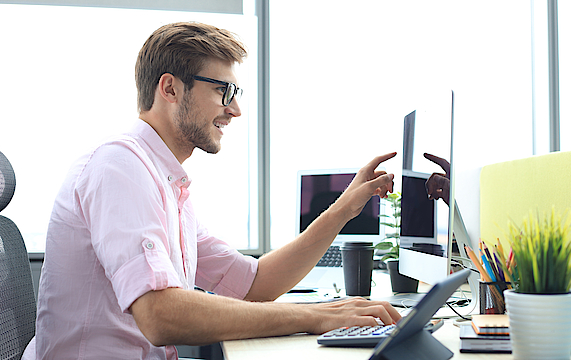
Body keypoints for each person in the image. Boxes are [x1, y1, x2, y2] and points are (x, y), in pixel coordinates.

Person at [23, 22, 400, 359]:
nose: (234, 109)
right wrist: (314, 316)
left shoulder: (167, 184)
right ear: (170, 88)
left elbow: (254, 284)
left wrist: (343, 210)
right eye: (223, 90)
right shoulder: (120, 168)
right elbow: (160, 314)